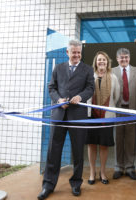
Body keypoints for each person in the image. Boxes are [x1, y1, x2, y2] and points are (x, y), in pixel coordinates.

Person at [37, 39, 94, 200]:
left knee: (77, 152)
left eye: (79, 52)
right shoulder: (58, 68)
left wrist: (80, 97)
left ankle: (76, 183)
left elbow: (90, 88)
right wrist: (58, 100)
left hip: (78, 116)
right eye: (73, 52)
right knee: (53, 152)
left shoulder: (88, 69)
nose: (76, 55)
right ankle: (48, 185)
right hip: (59, 116)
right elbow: (51, 87)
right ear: (67, 52)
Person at [86, 51, 120, 185]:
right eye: (99, 60)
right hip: (91, 116)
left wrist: (107, 107)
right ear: (95, 62)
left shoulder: (113, 77)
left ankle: (103, 172)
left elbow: (116, 97)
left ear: (107, 62)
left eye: (104, 60)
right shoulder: (90, 76)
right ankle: (92, 172)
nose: (101, 62)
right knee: (92, 144)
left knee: (104, 145)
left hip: (107, 116)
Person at [112, 48, 136, 180]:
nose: (124, 59)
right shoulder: (111, 71)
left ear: (129, 58)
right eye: (121, 57)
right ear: (117, 58)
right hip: (117, 111)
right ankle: (118, 167)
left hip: (132, 111)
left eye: (126, 57)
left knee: (131, 140)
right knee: (118, 140)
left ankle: (130, 167)